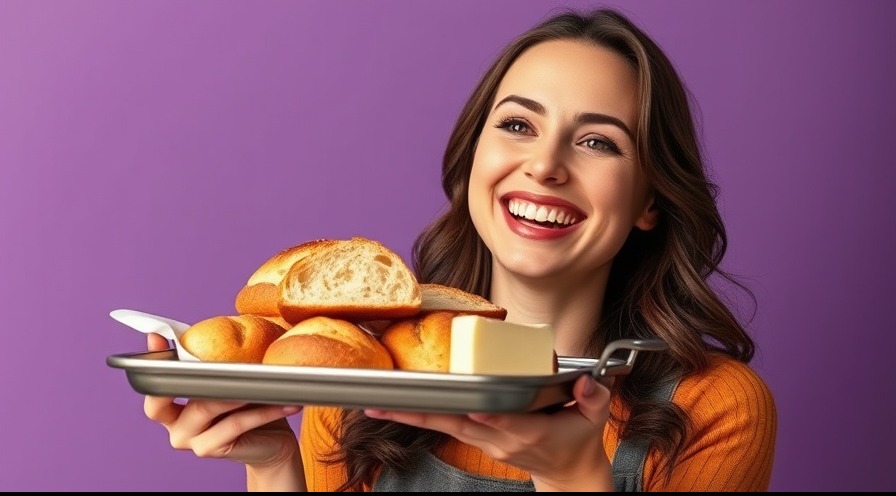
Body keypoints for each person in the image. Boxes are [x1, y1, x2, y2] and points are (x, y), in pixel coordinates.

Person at [143, 7, 777, 492]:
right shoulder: (361, 378)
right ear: (476, 157)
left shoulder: (713, 409)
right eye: (518, 126)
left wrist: (573, 475)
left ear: (650, 201)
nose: (545, 166)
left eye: (598, 142)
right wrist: (275, 464)